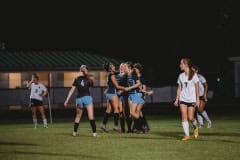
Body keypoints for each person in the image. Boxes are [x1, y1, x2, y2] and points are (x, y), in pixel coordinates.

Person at [64, 65, 99, 137]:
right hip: (87, 97)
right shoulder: (89, 78)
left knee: (78, 116)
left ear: (80, 71)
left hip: (79, 99)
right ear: (87, 70)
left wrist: (66, 100)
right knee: (91, 116)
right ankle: (94, 133)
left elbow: (72, 90)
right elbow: (92, 84)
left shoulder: (76, 79)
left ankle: (74, 132)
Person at [174, 58, 200, 141]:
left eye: (181, 64)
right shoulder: (180, 76)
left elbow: (197, 88)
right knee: (183, 115)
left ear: (186, 64)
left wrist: (198, 99)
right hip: (183, 98)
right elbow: (179, 88)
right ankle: (187, 135)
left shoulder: (194, 75)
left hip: (192, 99)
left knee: (191, 118)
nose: (180, 65)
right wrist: (177, 99)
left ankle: (195, 127)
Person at [100, 62, 127, 133]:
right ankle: (116, 126)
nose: (115, 67)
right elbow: (117, 86)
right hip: (112, 93)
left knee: (108, 109)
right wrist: (125, 88)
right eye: (113, 66)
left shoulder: (109, 74)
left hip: (109, 93)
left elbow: (110, 84)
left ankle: (103, 124)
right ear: (110, 68)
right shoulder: (112, 75)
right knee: (116, 109)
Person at [133, 62, 153, 132]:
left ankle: (139, 127)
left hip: (141, 96)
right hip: (136, 96)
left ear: (138, 69)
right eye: (134, 68)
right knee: (138, 112)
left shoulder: (142, 78)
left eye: (135, 68)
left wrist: (145, 93)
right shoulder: (134, 77)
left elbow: (144, 88)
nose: (134, 70)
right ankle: (144, 126)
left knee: (138, 111)